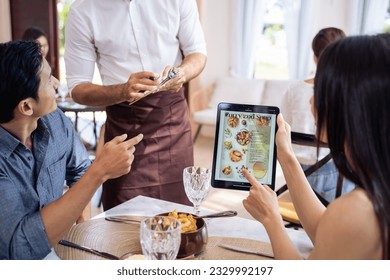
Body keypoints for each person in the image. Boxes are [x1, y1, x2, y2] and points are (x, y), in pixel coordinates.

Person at [242, 33, 390, 259]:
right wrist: (286, 155)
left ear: (348, 106)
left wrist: (272, 219)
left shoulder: (356, 211)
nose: (311, 100)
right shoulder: (370, 197)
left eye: (320, 87)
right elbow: (329, 234)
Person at [0, 40, 143, 259]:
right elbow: (19, 249)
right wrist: (100, 171)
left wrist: (81, 236)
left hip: (56, 249)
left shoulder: (55, 121)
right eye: (48, 80)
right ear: (27, 106)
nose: (57, 83)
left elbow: (79, 171)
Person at [65, 0, 207, 210]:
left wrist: (183, 73)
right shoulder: (83, 10)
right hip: (125, 128)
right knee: (124, 215)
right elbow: (78, 88)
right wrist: (122, 91)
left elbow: (197, 53)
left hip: (172, 121)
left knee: (181, 212)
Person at [281, 27, 354, 203]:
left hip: (297, 177)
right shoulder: (349, 90)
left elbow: (282, 128)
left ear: (315, 57)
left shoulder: (294, 89)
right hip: (334, 178)